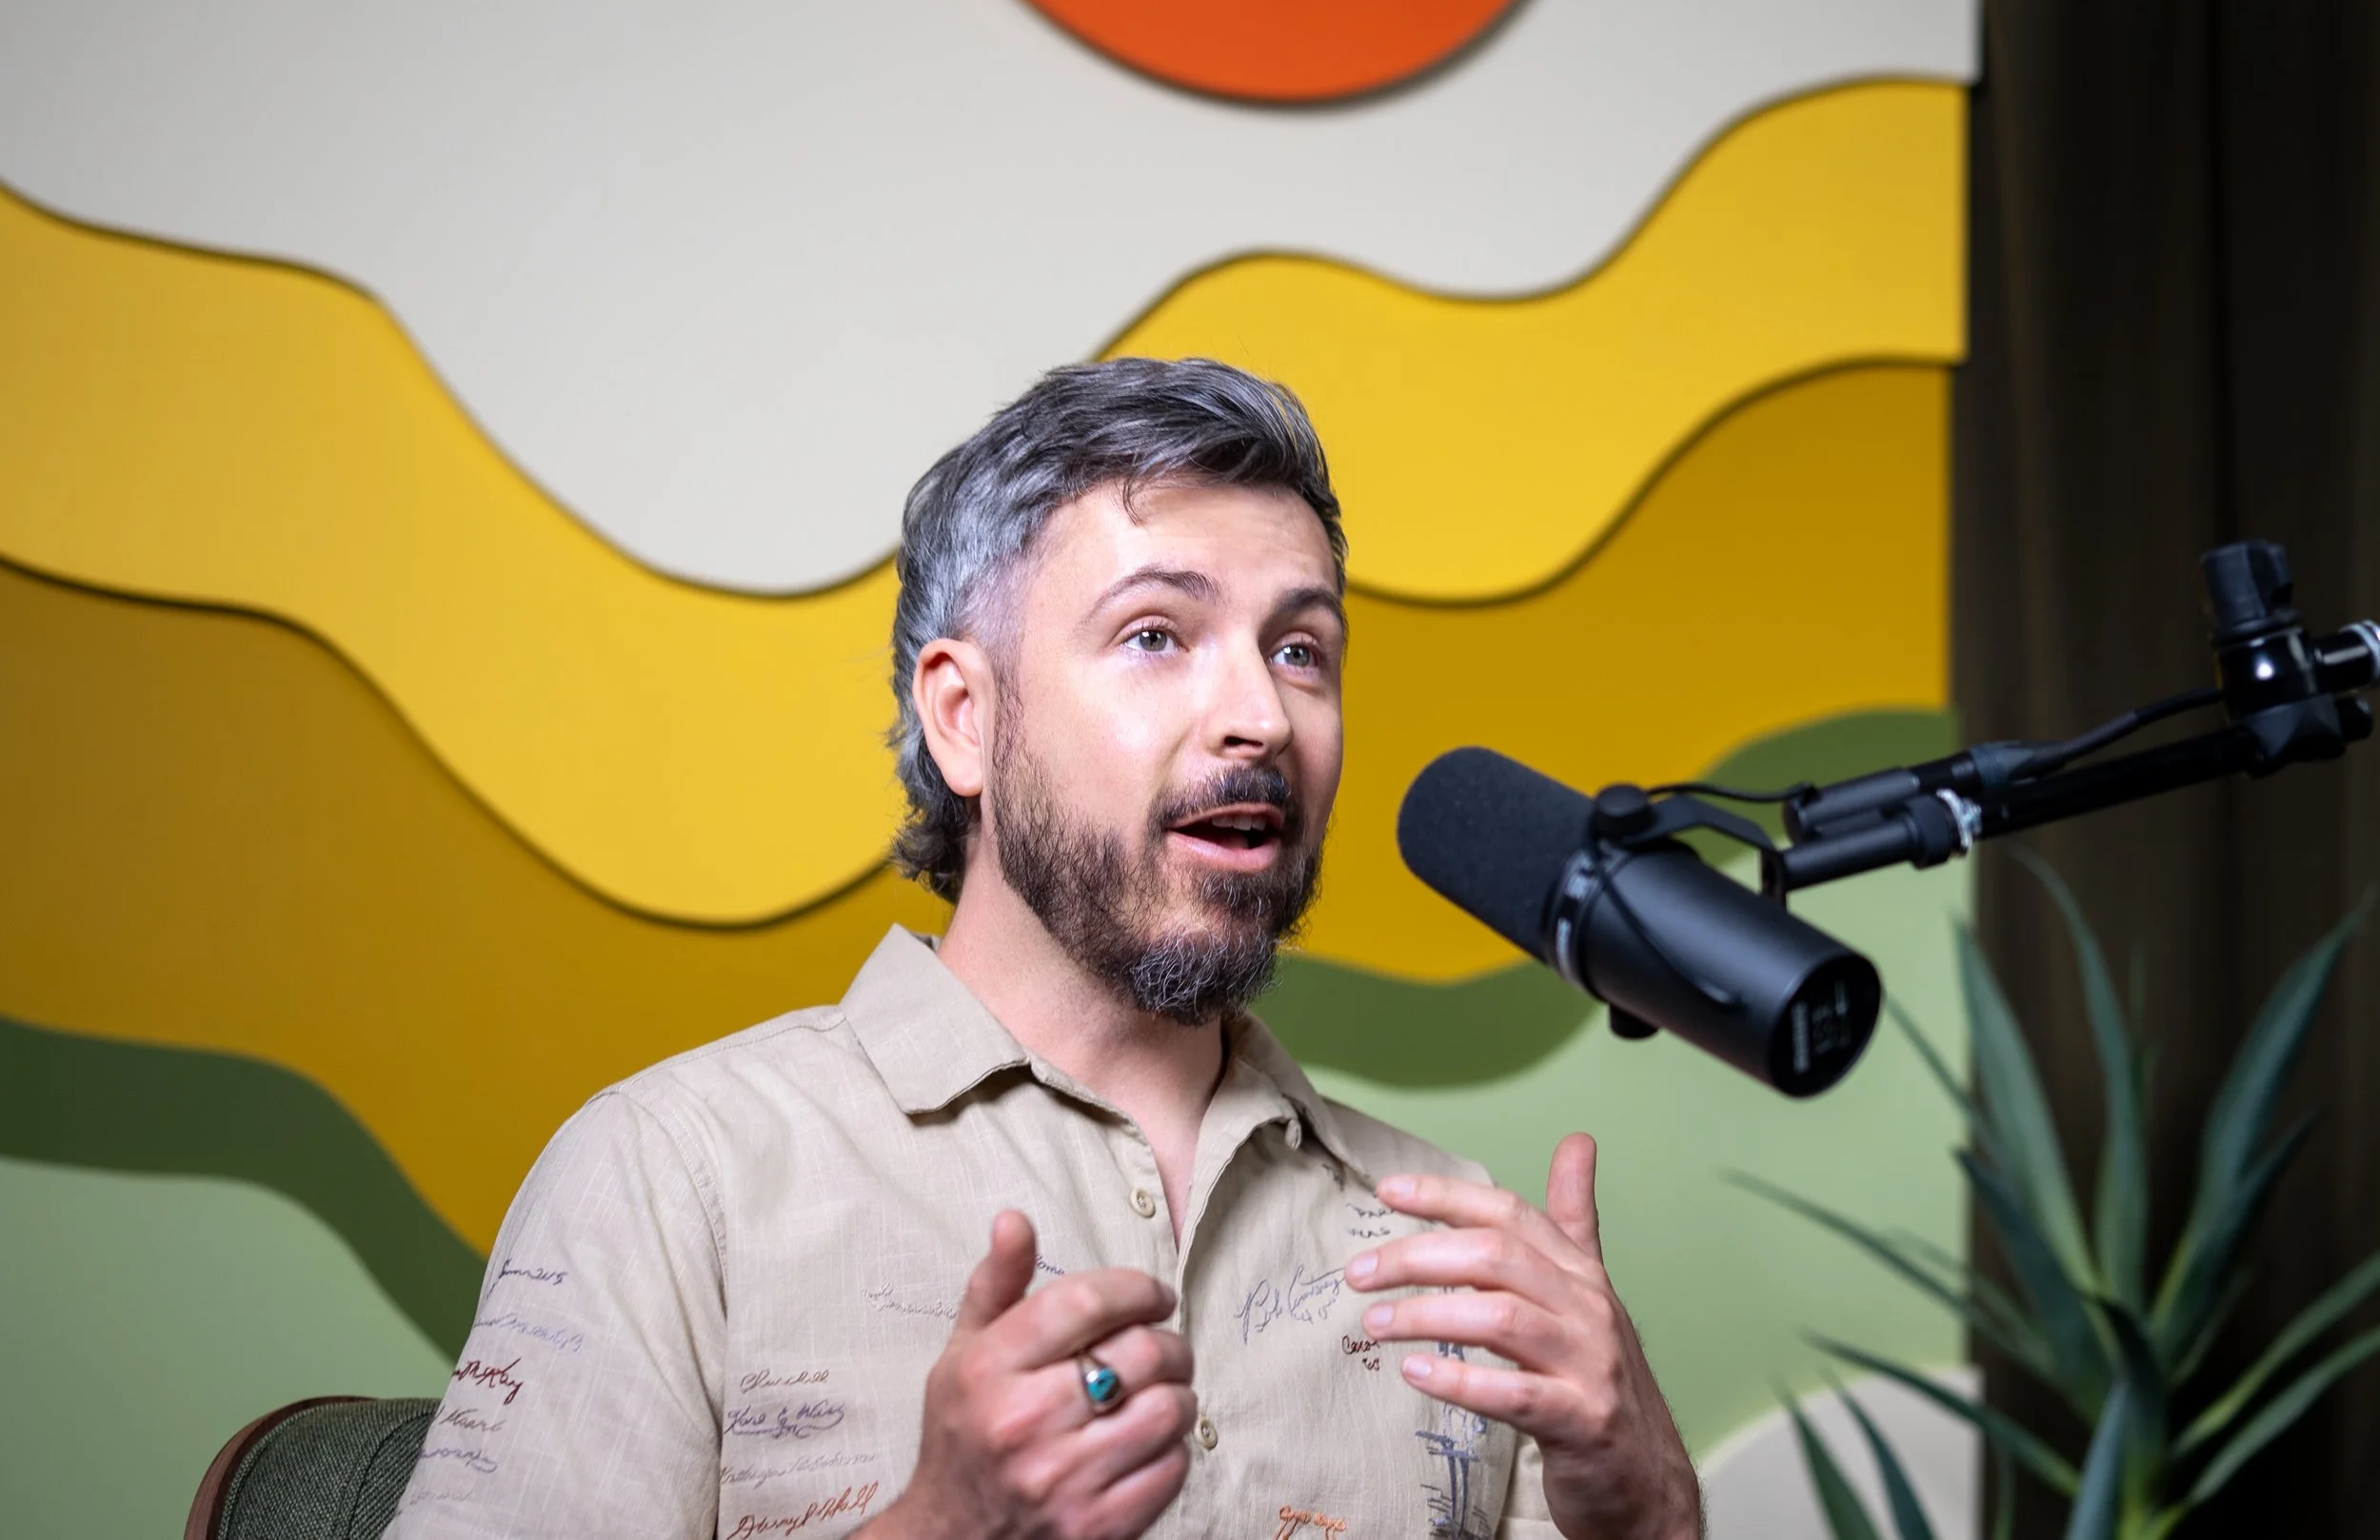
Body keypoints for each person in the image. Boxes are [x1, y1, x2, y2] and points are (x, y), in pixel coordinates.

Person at [388, 359, 1701, 1540]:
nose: (1260, 714)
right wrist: (941, 1527)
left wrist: (1642, 1497)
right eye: (1153, 634)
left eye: (1301, 650)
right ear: (965, 717)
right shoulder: (677, 1175)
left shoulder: (1456, 1236)